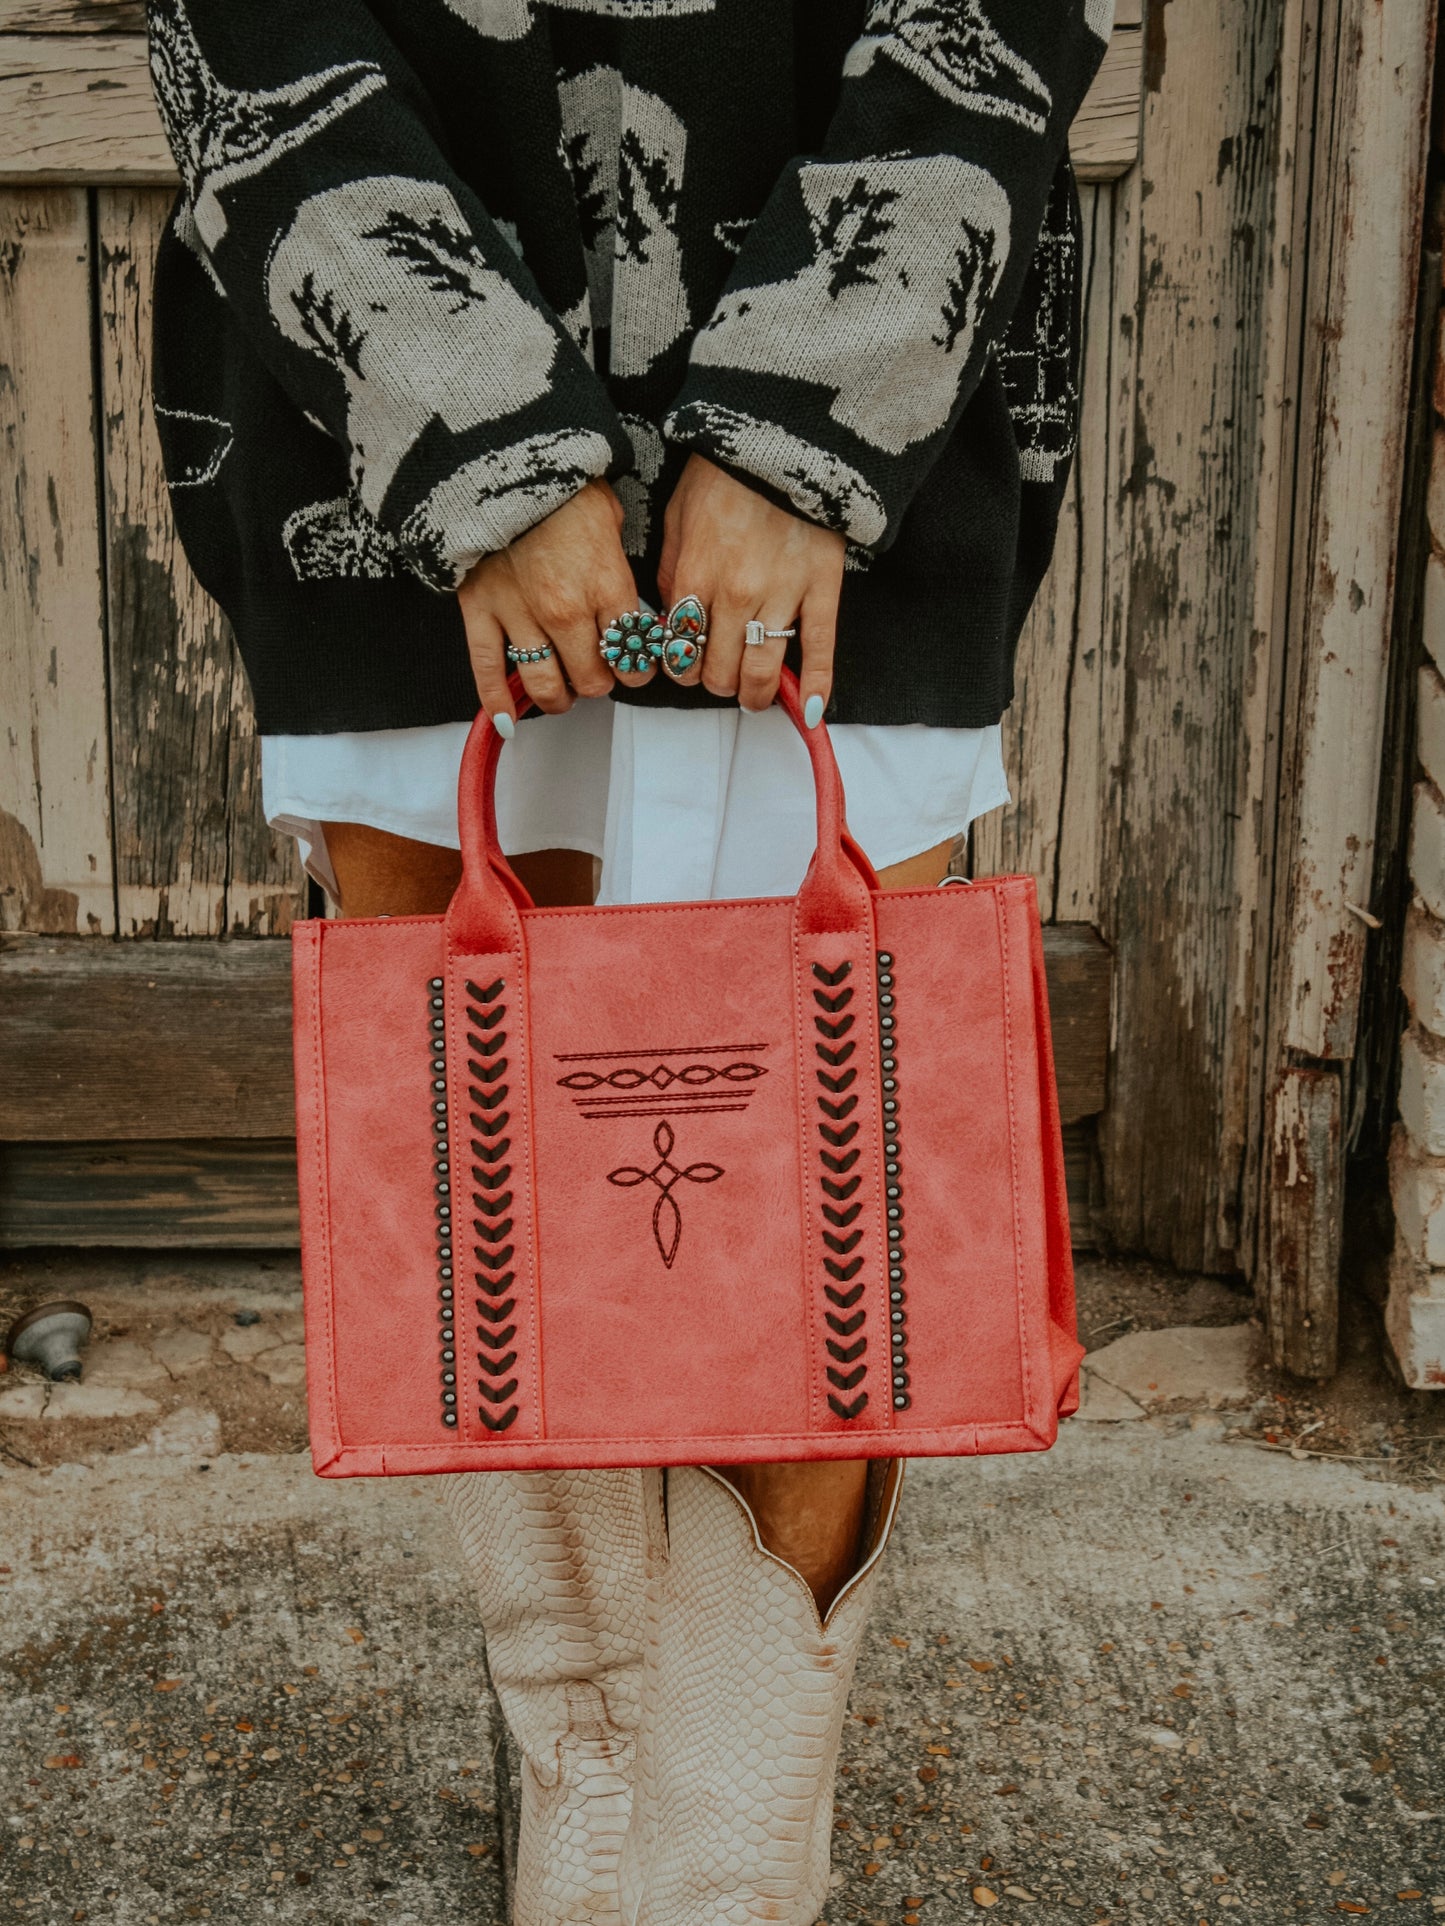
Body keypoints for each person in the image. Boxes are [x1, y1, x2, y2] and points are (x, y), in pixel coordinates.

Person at [145, 2, 1111, 1919]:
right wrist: (472, 430)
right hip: (392, 379)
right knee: (503, 1201)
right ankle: (591, 1807)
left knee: (831, 1237)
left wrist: (816, 408)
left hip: (873, 382)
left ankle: (734, 1861)